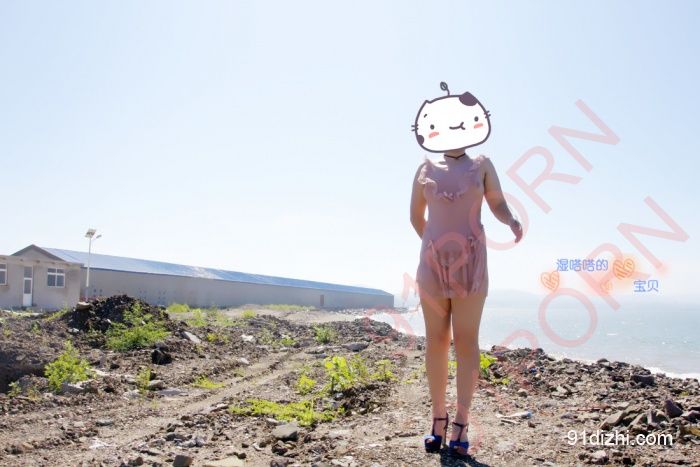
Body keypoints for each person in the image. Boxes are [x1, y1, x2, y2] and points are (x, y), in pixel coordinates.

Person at [409, 82, 523, 457]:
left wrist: (510, 220)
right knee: (436, 341)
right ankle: (437, 418)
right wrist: (437, 248)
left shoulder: (482, 165)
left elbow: (497, 203)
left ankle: (461, 420)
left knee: (467, 341)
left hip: (471, 265)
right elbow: (416, 217)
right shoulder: (424, 168)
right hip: (432, 267)